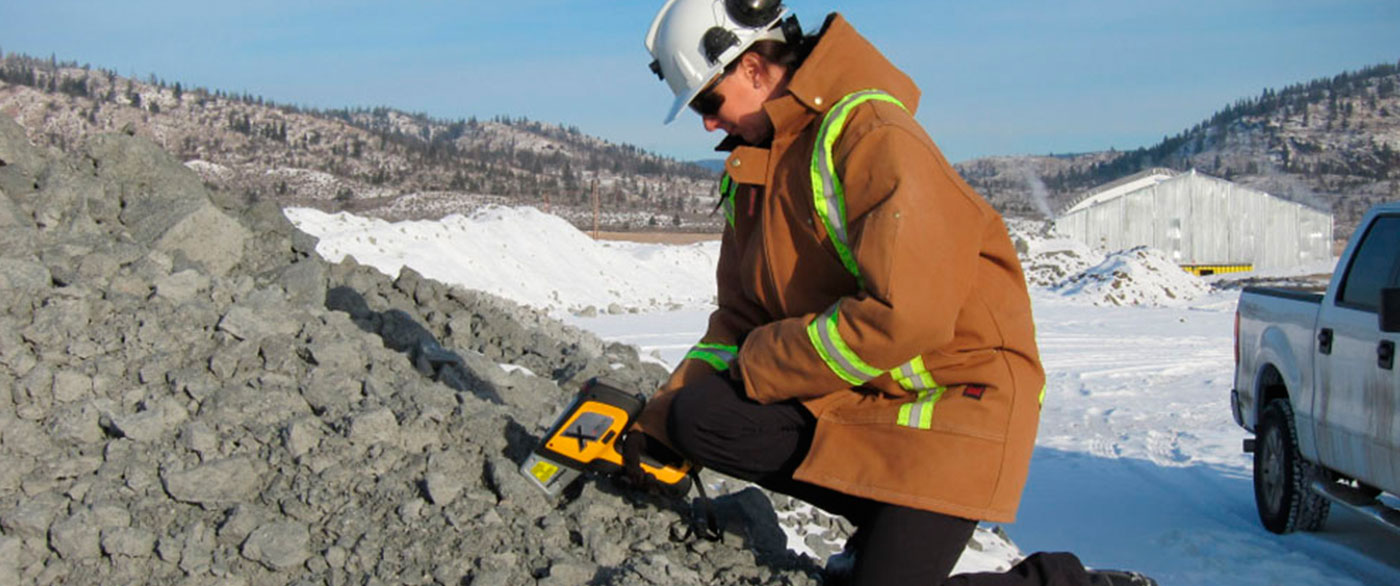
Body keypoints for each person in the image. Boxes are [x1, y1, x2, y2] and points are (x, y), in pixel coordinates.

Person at [625, 1, 1157, 585]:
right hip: (866, 397)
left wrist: (758, 363)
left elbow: (908, 316)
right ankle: (883, 529)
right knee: (699, 417)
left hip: (952, 404)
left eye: (708, 101)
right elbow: (739, 319)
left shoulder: (872, 133)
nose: (707, 123)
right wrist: (659, 422)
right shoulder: (759, 168)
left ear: (753, 68)